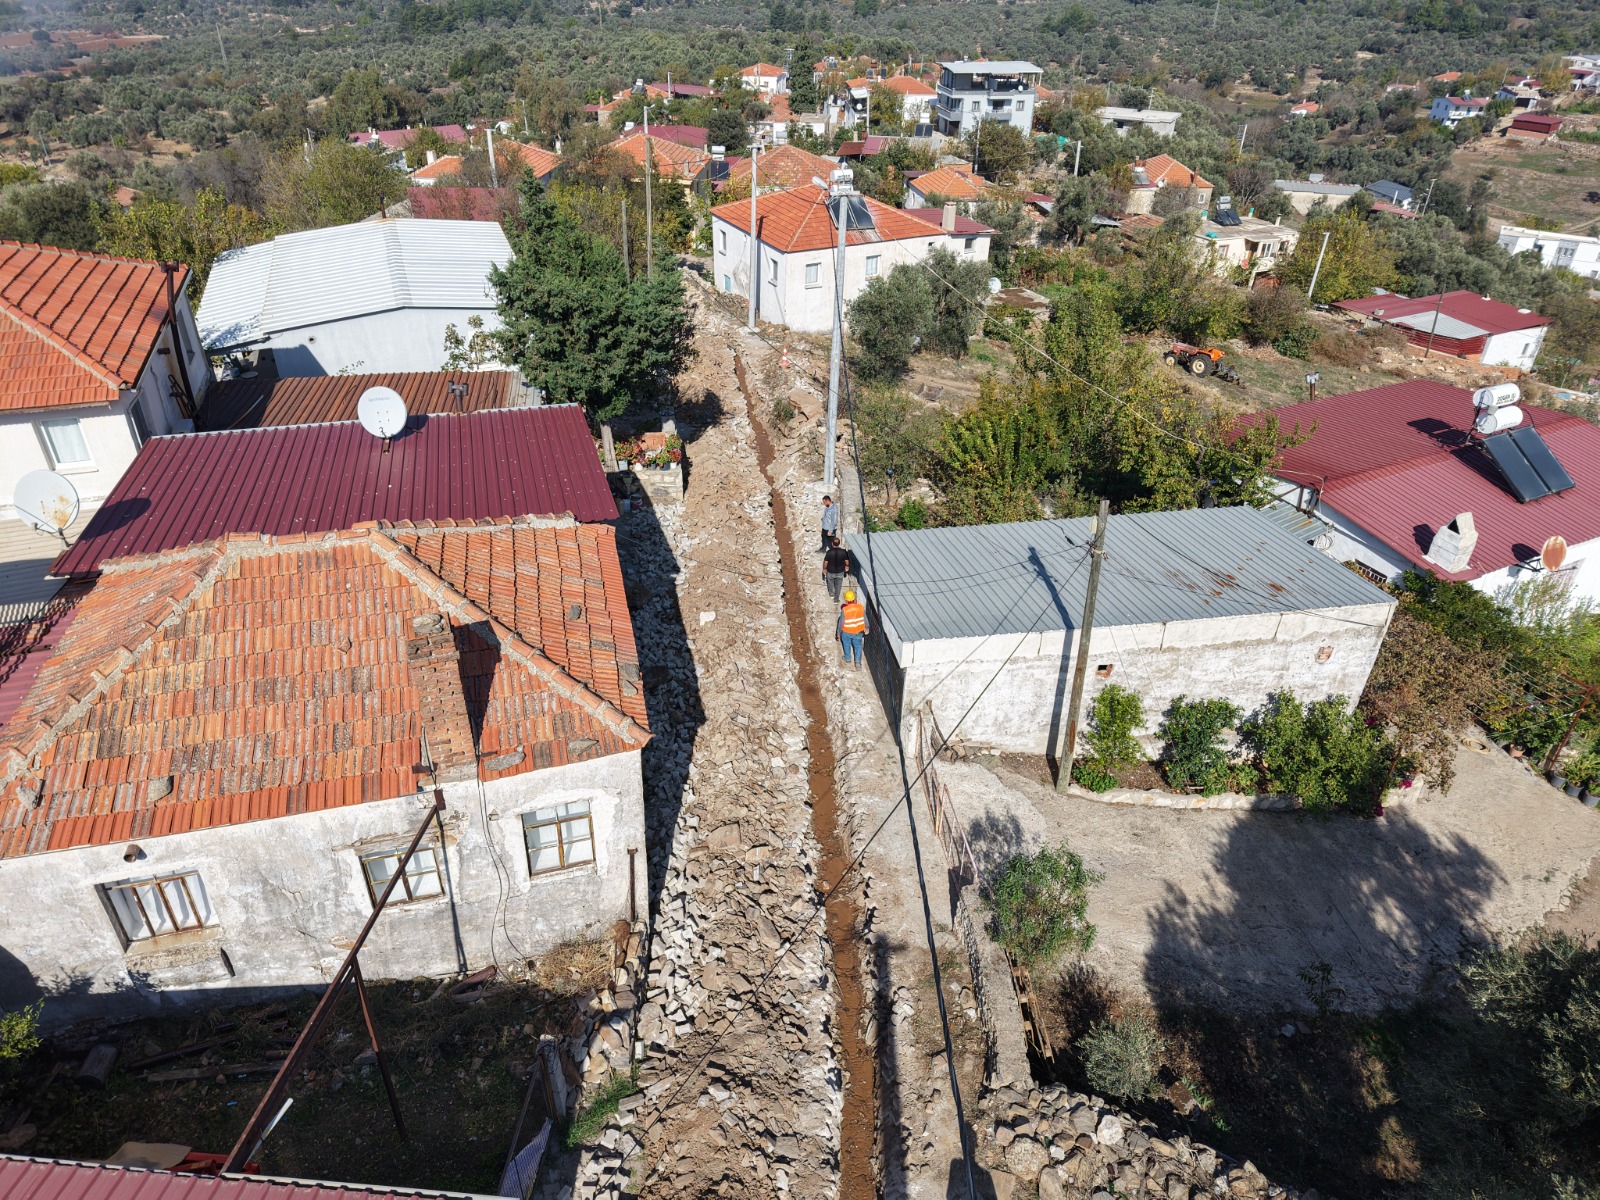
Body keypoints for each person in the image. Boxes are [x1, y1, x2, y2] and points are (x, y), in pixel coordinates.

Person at [837, 588, 869, 669]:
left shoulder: (845, 609)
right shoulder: (860, 607)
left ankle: (848, 658)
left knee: (846, 644)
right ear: (854, 599)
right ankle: (858, 663)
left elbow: (841, 623)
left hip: (846, 631)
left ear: (846, 600)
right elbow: (865, 619)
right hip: (858, 632)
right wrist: (867, 627)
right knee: (858, 647)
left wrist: (838, 633)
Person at [822, 535, 852, 603]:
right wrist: (847, 566)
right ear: (839, 544)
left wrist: (824, 569)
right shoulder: (843, 552)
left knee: (830, 583)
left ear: (832, 544)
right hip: (840, 572)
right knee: (838, 585)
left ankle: (831, 594)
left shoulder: (829, 552)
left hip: (830, 571)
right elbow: (847, 561)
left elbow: (825, 562)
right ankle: (836, 598)